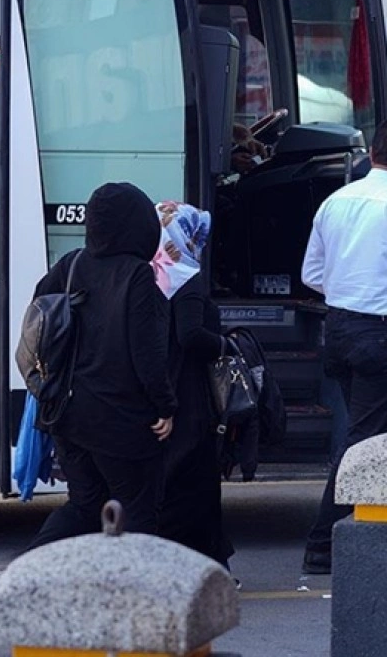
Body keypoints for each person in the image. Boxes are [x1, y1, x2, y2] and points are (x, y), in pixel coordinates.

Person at [300, 118, 387, 574]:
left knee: (353, 433)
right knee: (365, 440)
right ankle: (326, 541)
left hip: (336, 327)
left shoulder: (334, 203)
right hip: (381, 332)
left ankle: (357, 530)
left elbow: (310, 275)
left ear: (371, 154)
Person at [27, 183, 176, 549]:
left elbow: (39, 319)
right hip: (119, 418)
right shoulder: (137, 275)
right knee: (139, 510)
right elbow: (147, 351)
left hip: (66, 412)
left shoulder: (71, 263)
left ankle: (29, 567)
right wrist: (164, 406)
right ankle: (140, 595)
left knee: (83, 504)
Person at [153, 202, 234, 570]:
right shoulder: (185, 277)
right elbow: (190, 336)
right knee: (194, 484)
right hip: (189, 394)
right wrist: (222, 344)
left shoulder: (154, 273)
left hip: (165, 386)